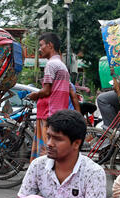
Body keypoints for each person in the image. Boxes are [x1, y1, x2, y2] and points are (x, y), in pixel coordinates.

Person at [27, 33, 73, 161]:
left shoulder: (51, 65)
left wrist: (34, 95)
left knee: (46, 153)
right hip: (57, 113)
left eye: (41, 45)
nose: (40, 49)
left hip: (48, 113)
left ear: (50, 45)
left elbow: (46, 91)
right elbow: (70, 93)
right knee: (53, 152)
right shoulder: (62, 65)